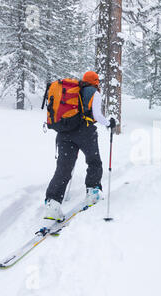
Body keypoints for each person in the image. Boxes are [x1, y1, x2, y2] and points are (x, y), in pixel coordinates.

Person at [44, 71, 116, 221]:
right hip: (85, 133)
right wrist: (109, 123)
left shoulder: (73, 91)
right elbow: (97, 115)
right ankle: (93, 192)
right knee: (93, 161)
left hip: (64, 133)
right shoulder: (94, 92)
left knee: (63, 168)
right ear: (96, 82)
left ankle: (52, 202)